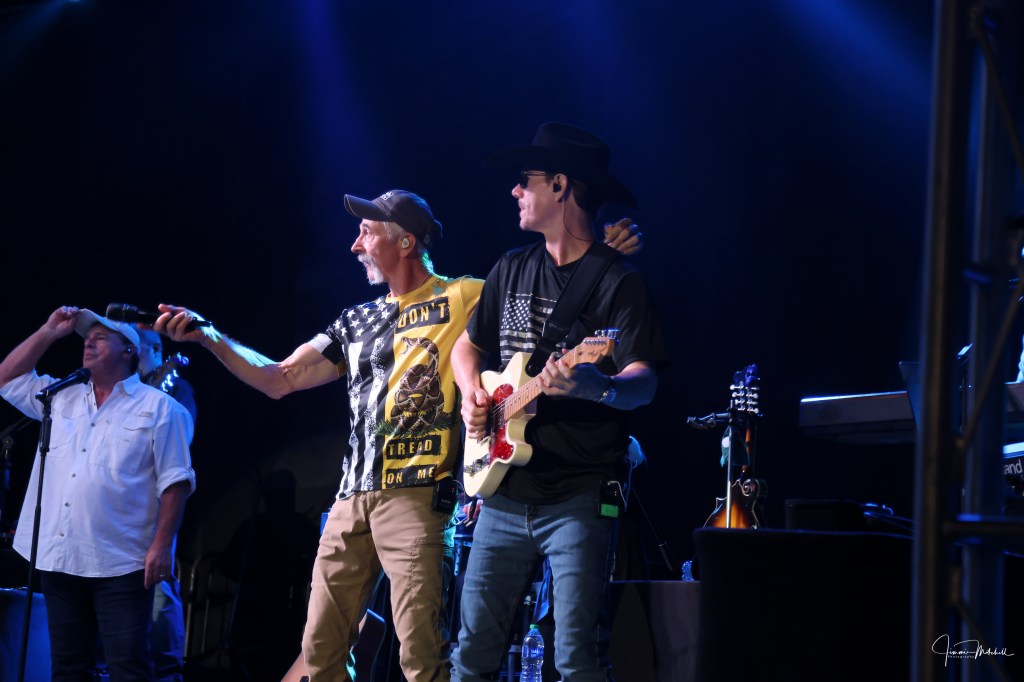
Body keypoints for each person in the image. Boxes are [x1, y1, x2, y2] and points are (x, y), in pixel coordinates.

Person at [154, 189, 641, 682]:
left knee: (421, 659)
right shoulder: (353, 322)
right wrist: (209, 337)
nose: (354, 245)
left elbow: (541, 296)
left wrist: (597, 254)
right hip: (350, 500)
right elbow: (280, 378)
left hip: (419, 496)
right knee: (319, 654)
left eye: (366, 233)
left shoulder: (463, 294)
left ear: (406, 241)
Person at [451, 122, 667, 681]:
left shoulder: (620, 283)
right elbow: (466, 347)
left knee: (577, 659)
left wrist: (601, 386)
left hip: (581, 495)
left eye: (526, 180)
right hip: (502, 493)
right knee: (470, 657)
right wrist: (473, 395)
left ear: (560, 185)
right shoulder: (511, 267)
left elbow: (643, 381)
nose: (515, 191)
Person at [0, 306, 195, 680]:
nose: (88, 343)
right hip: (61, 557)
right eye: (87, 338)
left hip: (122, 562)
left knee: (128, 668)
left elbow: (176, 481)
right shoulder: (61, 395)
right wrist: (48, 331)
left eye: (101, 338)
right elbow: (7, 378)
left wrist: (161, 546)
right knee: (68, 667)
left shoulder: (161, 408)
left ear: (129, 350)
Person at [136, 328, 198, 682]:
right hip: (119, 508)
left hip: (156, 508)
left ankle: (168, 671)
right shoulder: (122, 389)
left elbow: (182, 442)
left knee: (158, 584)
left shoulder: (177, 389)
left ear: (155, 350)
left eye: (137, 345)